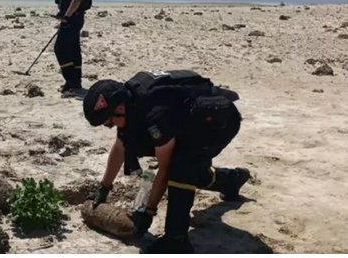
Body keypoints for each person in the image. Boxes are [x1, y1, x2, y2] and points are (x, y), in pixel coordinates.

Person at [82, 69, 251, 254]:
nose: (111, 127)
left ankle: (176, 241)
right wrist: (104, 187)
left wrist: (148, 212)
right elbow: (121, 144)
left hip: (218, 123)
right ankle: (230, 181)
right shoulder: (130, 102)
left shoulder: (155, 116)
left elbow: (164, 169)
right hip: (187, 124)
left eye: (109, 123)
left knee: (180, 168)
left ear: (120, 109)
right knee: (189, 170)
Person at [54, 0, 93, 93]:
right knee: (73, 49)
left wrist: (67, 15)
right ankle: (75, 82)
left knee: (60, 48)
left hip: (72, 18)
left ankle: (70, 81)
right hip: (74, 17)